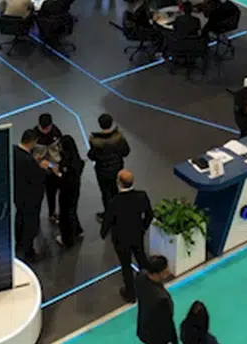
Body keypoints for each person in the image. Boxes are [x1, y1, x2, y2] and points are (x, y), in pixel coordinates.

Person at [104, 169, 153, 302]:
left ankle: (130, 293)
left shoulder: (114, 202)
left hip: (121, 239)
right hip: (137, 234)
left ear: (119, 183)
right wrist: (143, 228)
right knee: (141, 258)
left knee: (126, 265)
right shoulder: (141, 196)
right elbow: (149, 214)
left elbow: (108, 220)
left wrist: (104, 232)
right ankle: (148, 285)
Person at [13, 128, 50, 261]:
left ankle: (19, 243)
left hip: (18, 195)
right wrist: (42, 168)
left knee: (20, 218)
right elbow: (37, 179)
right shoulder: (28, 161)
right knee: (30, 225)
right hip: (30, 199)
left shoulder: (14, 151)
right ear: (32, 142)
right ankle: (29, 252)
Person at [88, 113, 131, 220]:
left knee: (106, 194)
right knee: (116, 191)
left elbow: (92, 156)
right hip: (117, 169)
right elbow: (126, 152)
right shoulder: (119, 138)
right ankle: (119, 213)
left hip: (102, 172)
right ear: (111, 123)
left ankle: (109, 215)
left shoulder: (95, 141)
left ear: (100, 125)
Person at [135, 255, 176, 344]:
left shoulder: (140, 276)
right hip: (157, 336)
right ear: (155, 274)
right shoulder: (162, 299)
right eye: (165, 272)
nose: (169, 272)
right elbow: (168, 323)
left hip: (143, 328)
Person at [55, 134, 85, 247]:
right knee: (72, 210)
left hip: (66, 191)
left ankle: (67, 239)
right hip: (75, 190)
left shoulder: (66, 164)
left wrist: (57, 173)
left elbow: (63, 178)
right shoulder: (78, 161)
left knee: (65, 215)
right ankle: (77, 230)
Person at [33, 113, 64, 223]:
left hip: (56, 168)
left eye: (47, 128)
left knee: (59, 192)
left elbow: (61, 150)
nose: (45, 131)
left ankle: (59, 213)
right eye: (43, 128)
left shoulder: (56, 133)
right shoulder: (34, 135)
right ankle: (49, 213)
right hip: (41, 169)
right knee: (45, 194)